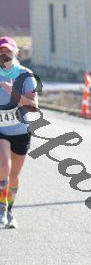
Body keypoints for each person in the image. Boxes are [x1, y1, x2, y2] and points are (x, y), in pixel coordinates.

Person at [0, 36, 38, 229]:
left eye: (8, 51)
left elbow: (33, 106)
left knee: (14, 175)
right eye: (1, 51)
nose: (4, 54)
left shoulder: (25, 75)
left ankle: (9, 211)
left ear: (15, 52)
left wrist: (12, 91)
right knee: (3, 168)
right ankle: (1, 209)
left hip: (21, 131)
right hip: (1, 131)